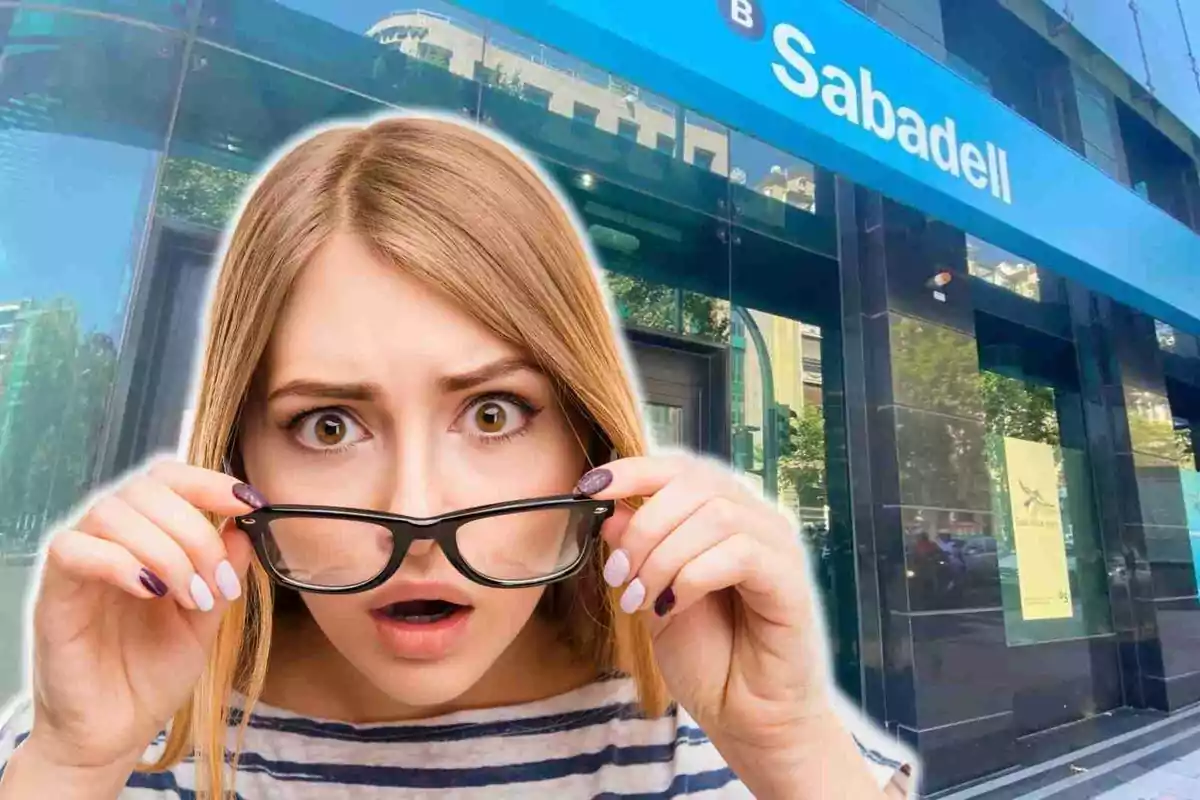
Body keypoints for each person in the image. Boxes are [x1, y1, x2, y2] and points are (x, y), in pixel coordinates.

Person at [0, 113, 913, 798]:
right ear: (239, 457)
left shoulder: (727, 724)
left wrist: (788, 749)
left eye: (491, 413)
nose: (418, 511)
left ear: (584, 440)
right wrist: (74, 766)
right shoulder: (110, 724)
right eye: (327, 425)